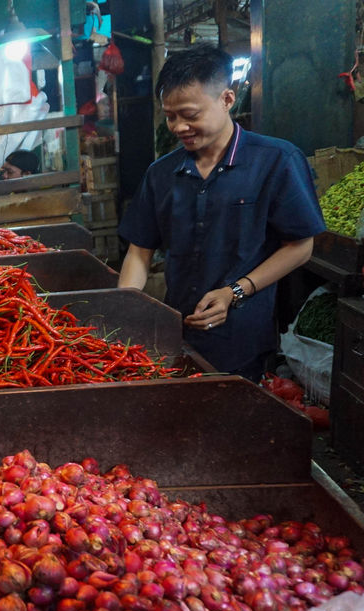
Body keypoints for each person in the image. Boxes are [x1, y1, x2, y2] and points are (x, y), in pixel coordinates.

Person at [117, 43, 325, 382]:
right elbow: (139, 253)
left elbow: (300, 246)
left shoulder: (276, 161)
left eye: (190, 114)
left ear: (227, 99)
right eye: (170, 117)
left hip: (242, 336)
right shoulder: (161, 174)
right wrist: (126, 307)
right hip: (177, 332)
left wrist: (235, 291)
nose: (178, 127)